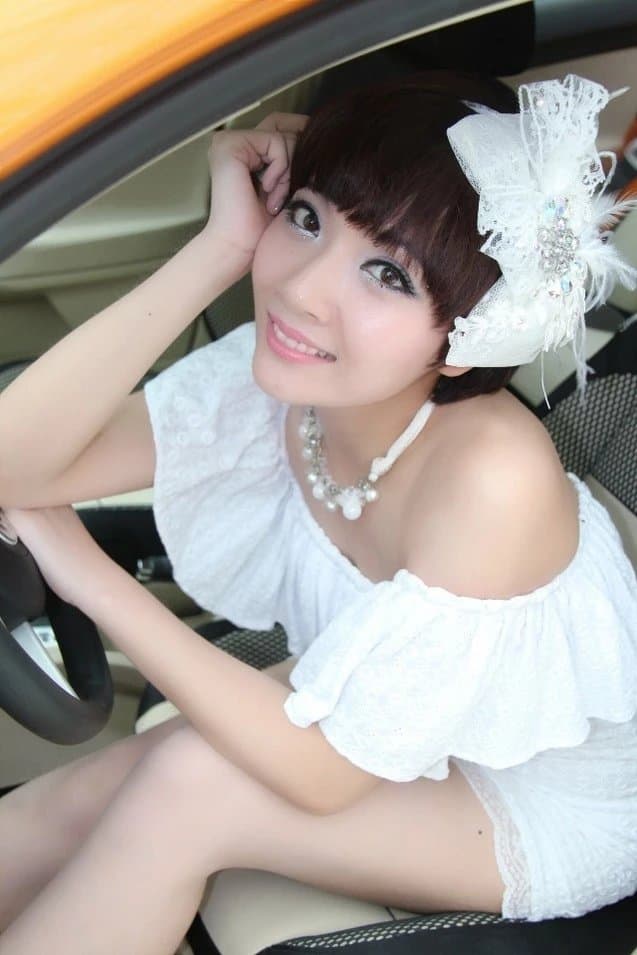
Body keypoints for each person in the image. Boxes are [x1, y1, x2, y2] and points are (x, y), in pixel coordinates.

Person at [0, 70, 636, 954]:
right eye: (306, 218)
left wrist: (85, 571)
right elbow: (13, 463)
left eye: (386, 274)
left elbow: (323, 776)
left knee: (188, 783)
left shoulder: (492, 480)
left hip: (534, 791)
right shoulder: (298, 379)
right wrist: (222, 246)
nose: (302, 290)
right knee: (102, 785)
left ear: (471, 332)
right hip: (394, 718)